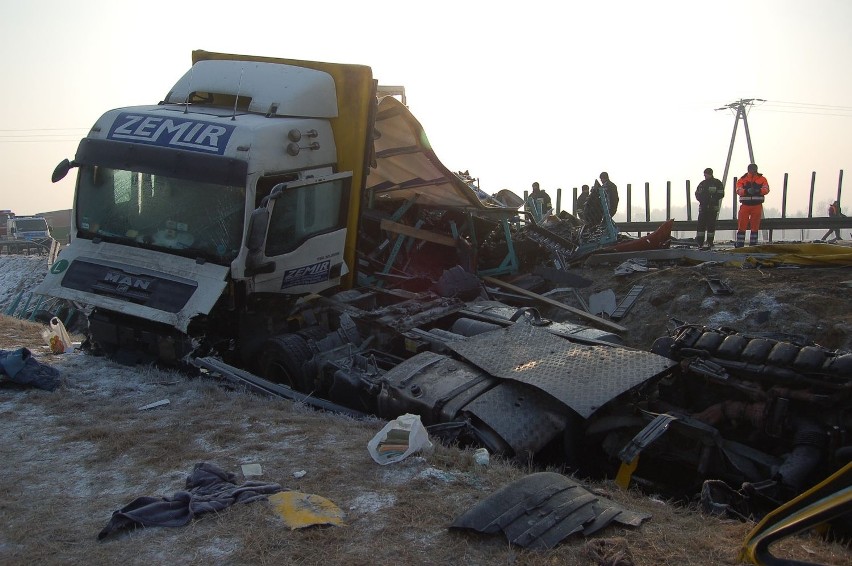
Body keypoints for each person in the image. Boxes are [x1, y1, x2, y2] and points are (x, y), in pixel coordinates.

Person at [734, 163, 769, 247]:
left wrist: (757, 191)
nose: (753, 172)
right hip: (745, 205)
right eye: (752, 170)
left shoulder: (762, 179)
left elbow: (766, 189)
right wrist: (747, 191)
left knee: (755, 226)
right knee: (742, 225)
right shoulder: (742, 179)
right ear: (749, 170)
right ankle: (740, 243)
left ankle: (753, 244)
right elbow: (738, 190)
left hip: (757, 205)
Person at [694, 167, 725, 249]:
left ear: (710, 174)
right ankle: (699, 242)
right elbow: (697, 194)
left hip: (712, 208)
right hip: (703, 208)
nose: (705, 176)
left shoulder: (717, 183)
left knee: (711, 226)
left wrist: (713, 199)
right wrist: (702, 200)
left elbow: (721, 193)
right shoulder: (702, 184)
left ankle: (710, 242)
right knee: (701, 226)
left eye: (706, 174)